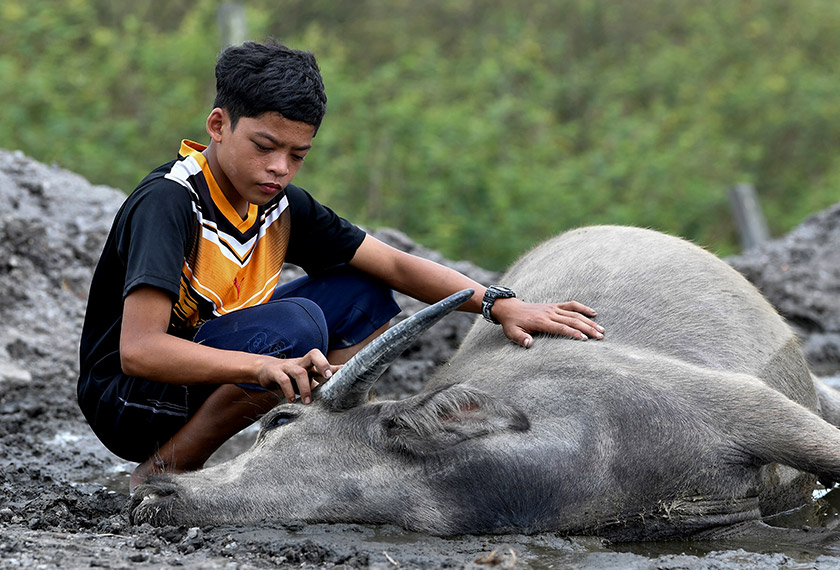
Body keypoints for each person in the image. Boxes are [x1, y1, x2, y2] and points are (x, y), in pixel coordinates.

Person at [77, 40, 604, 493]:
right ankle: (161, 473)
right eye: (265, 146)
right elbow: (140, 351)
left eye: (297, 154)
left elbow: (395, 264)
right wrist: (258, 368)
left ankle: (303, 441)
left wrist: (499, 304)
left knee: (366, 293)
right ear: (219, 125)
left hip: (208, 361)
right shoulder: (169, 203)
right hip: (129, 401)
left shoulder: (280, 203)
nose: (279, 167)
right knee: (295, 326)